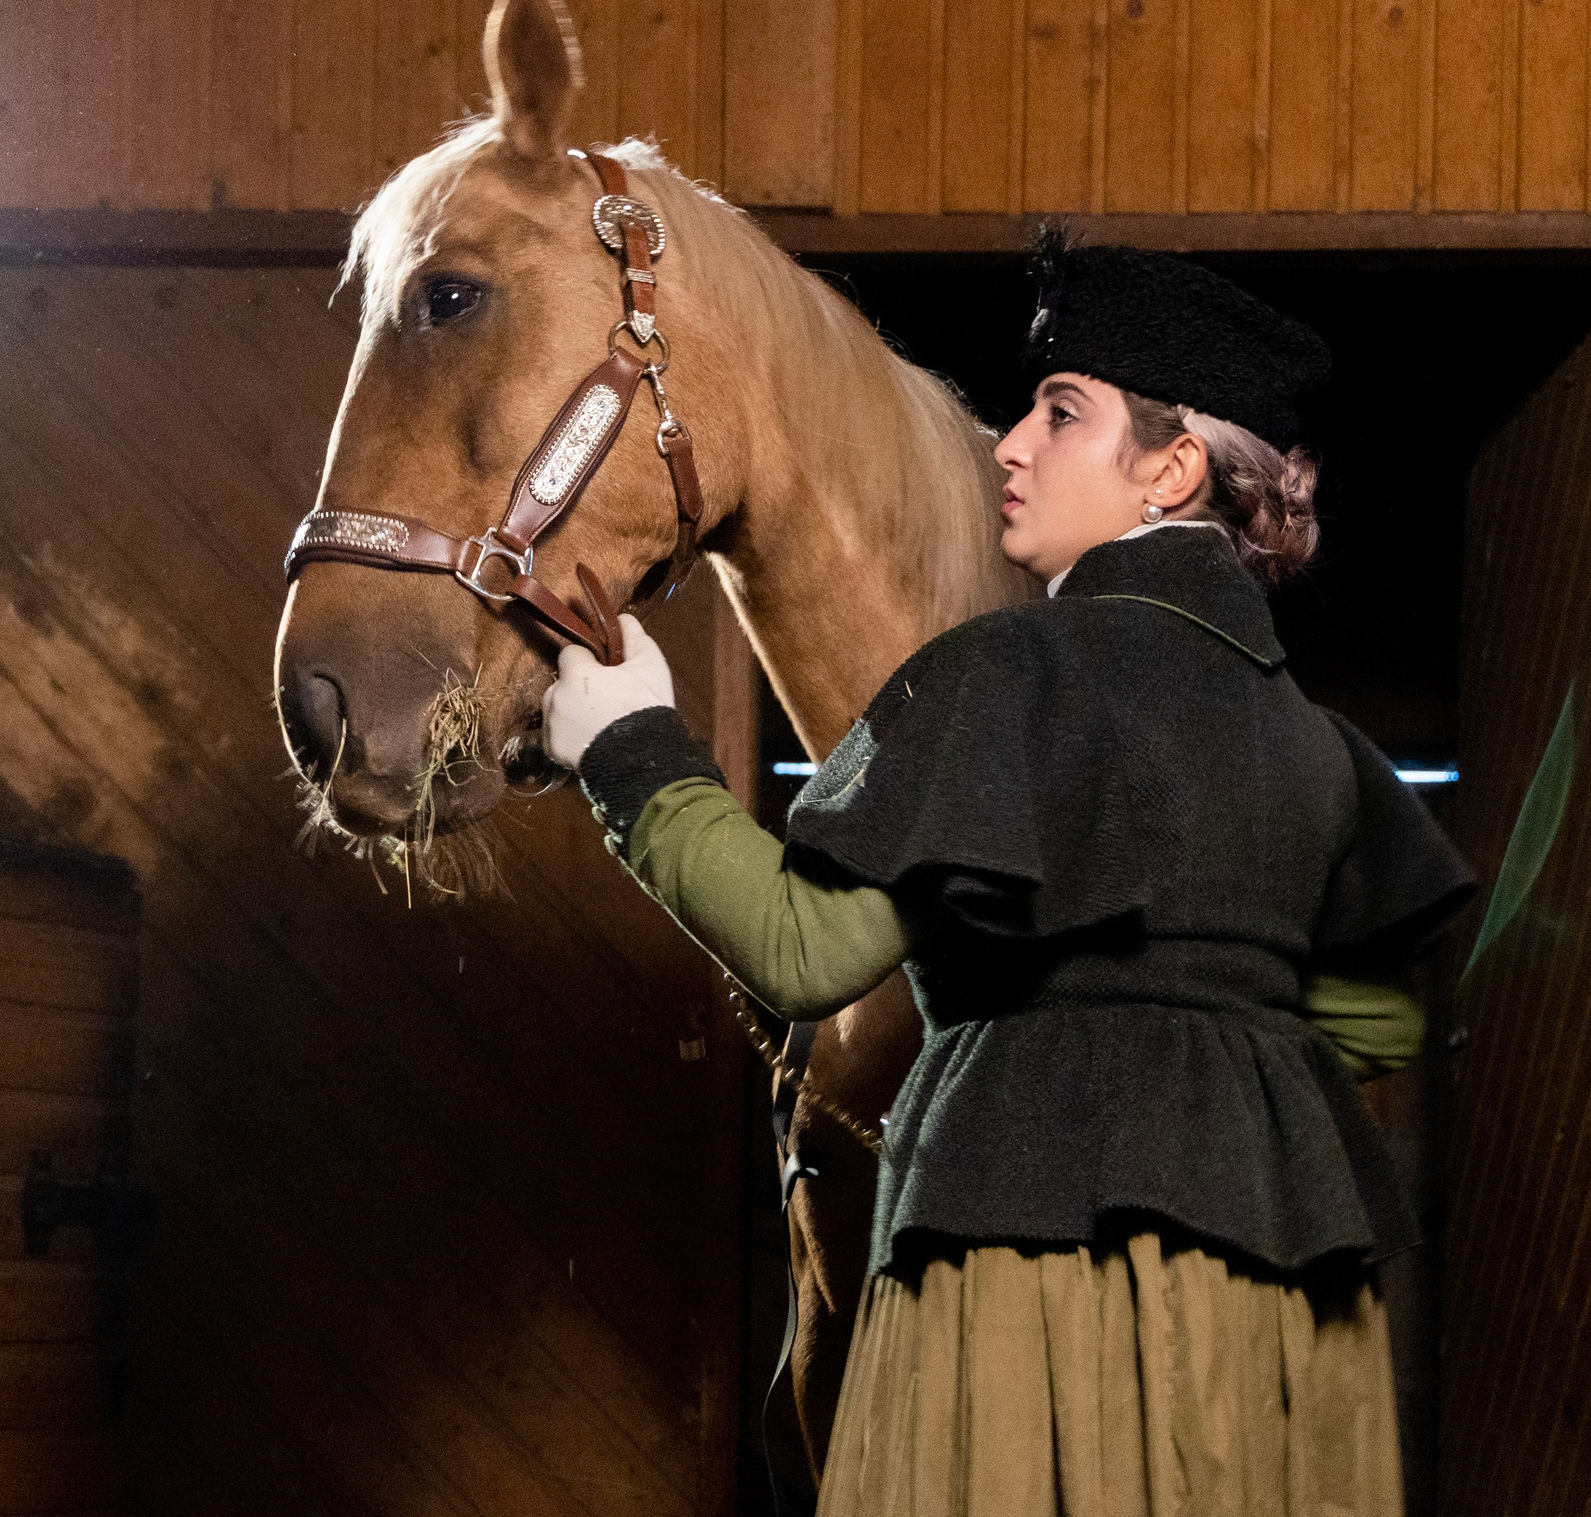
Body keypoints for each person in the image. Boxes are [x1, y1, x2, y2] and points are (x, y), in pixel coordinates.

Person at [544, 229, 1474, 1517]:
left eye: (1060, 413)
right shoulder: (1327, 753)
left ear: (1172, 466)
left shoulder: (1001, 676)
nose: (1009, 445)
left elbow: (808, 954)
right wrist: (1223, 1057)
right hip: (1284, 1311)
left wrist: (628, 747)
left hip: (1033, 1271)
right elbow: (1376, 1014)